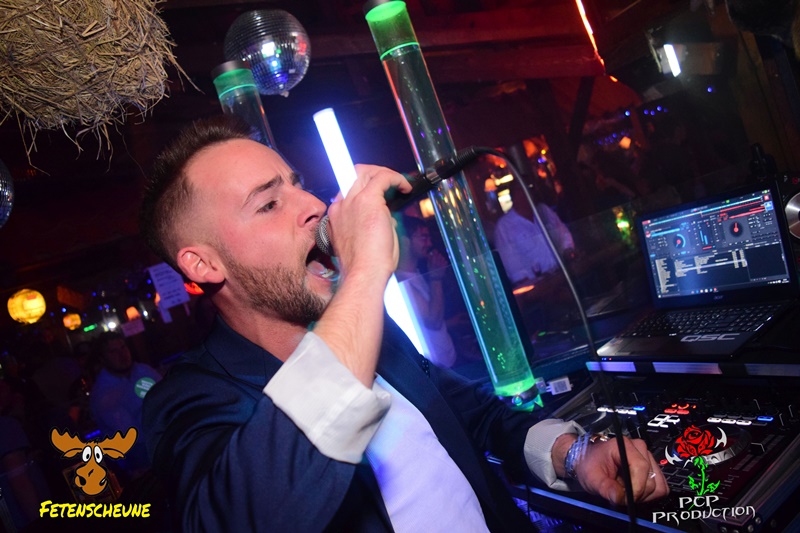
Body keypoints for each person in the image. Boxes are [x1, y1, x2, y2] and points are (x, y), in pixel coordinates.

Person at [139, 116, 668, 532]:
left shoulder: (373, 330)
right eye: (269, 203)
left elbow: (475, 415)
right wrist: (366, 272)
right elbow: (254, 512)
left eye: (299, 186)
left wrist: (573, 454)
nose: (314, 206)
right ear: (203, 264)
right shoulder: (189, 401)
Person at [89, 331, 161, 479]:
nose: (122, 354)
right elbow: (130, 437)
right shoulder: (103, 392)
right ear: (103, 359)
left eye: (123, 347)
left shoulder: (144, 371)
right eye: (113, 351)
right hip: (138, 462)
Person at [396, 216, 458, 368]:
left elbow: (425, 324)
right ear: (405, 242)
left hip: (447, 362)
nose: (429, 244)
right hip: (437, 370)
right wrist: (436, 278)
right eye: (424, 238)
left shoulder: (418, 273)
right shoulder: (400, 281)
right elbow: (433, 321)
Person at [493, 183, 576, 287]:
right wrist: (538, 284)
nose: (527, 193)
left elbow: (563, 233)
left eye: (529, 188)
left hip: (566, 274)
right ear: (513, 196)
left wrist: (568, 251)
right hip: (542, 288)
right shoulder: (504, 227)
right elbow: (515, 271)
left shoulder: (543, 210)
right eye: (521, 190)